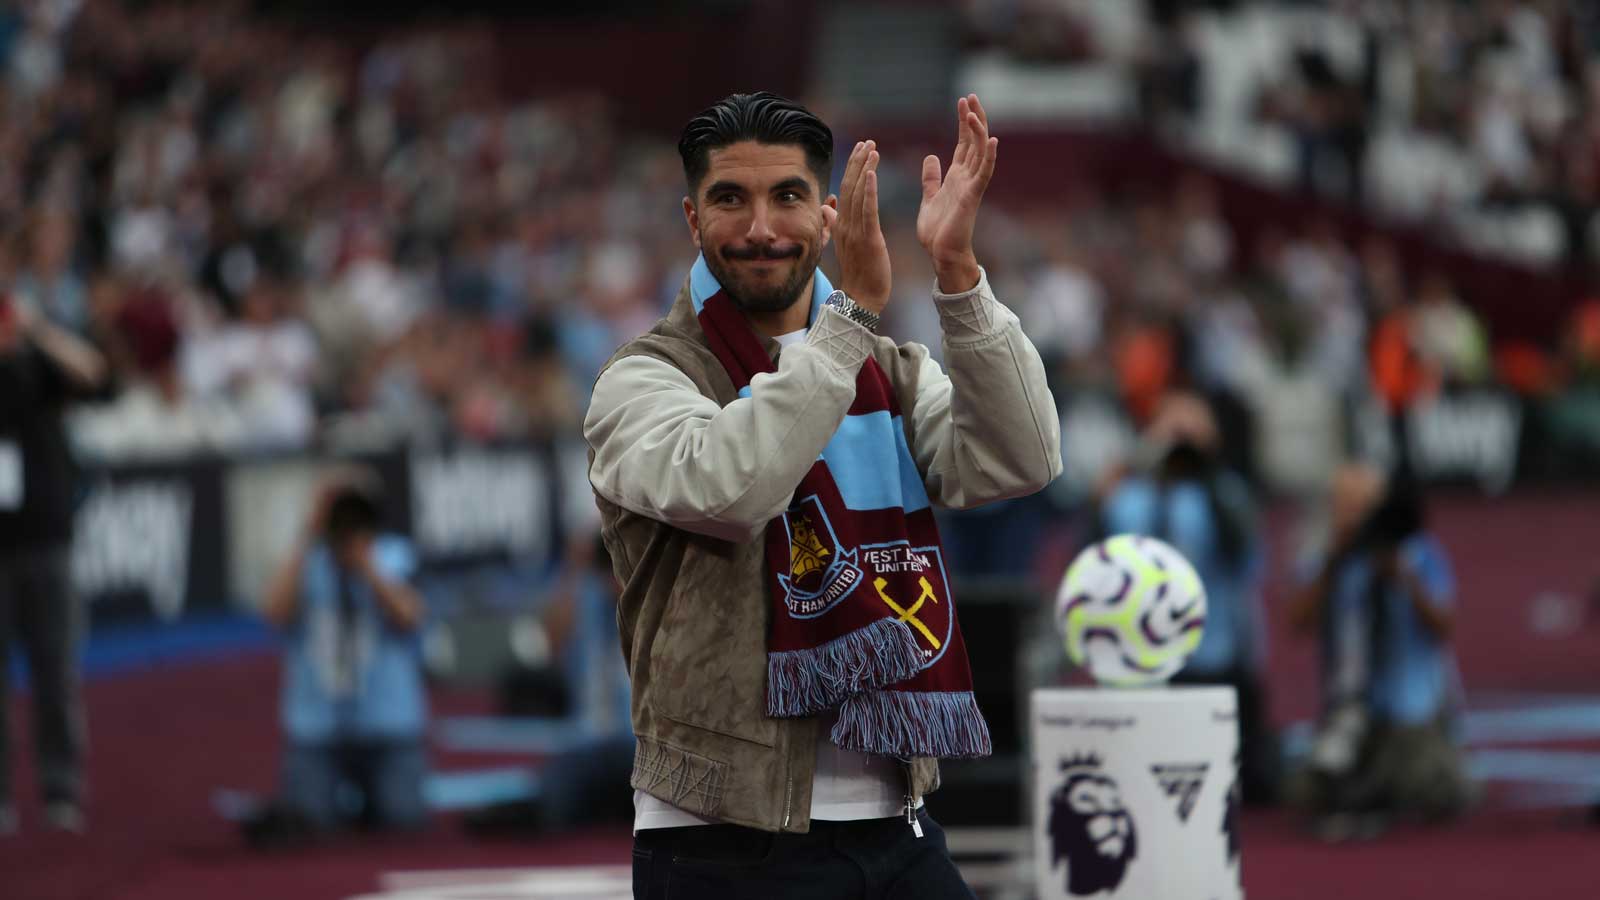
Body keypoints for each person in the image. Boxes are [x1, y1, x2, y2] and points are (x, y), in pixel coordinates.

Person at [584, 92, 1062, 898]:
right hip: (719, 841)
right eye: (730, 199)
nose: (761, 227)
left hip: (897, 822)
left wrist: (958, 276)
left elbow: (1020, 460)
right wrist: (848, 320)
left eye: (788, 196)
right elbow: (734, 488)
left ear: (828, 212)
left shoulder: (882, 367)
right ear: (693, 220)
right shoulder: (642, 380)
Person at [1097, 392, 1280, 805]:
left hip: (1212, 656)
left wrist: (1206, 469)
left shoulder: (1226, 493)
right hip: (1140, 659)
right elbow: (1097, 563)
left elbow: (1241, 552)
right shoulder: (1130, 495)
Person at [1287, 465, 1471, 838]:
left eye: (1363, 506)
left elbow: (1444, 626)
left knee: (1423, 785)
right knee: (1305, 791)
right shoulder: (1324, 559)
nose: (1354, 515)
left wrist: (1405, 579)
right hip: (1350, 711)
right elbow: (1298, 622)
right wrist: (1333, 563)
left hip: (1410, 714)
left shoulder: (1419, 553)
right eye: (1345, 505)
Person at [254, 473, 429, 842]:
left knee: (405, 819)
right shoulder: (306, 565)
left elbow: (411, 617)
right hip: (318, 729)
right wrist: (307, 536)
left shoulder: (394, 557)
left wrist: (367, 567)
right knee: (308, 822)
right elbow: (273, 613)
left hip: (388, 726)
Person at [0, 289, 109, 835]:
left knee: (55, 669)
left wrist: (35, 328)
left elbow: (92, 370)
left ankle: (61, 785)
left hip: (46, 538)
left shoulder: (36, 367)